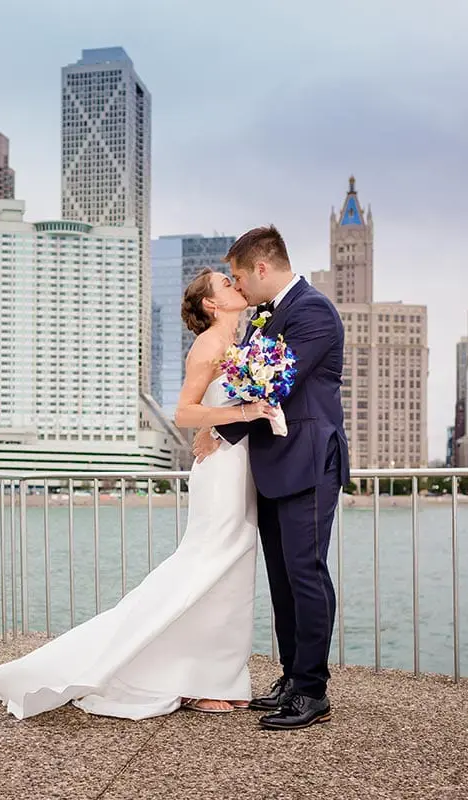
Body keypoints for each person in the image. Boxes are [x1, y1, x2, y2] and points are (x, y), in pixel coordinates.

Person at [0, 269, 277, 719]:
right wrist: (233, 414)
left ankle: (220, 676)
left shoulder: (247, 344)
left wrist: (221, 423)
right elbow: (184, 410)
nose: (235, 285)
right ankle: (186, 678)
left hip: (242, 465)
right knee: (207, 563)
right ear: (211, 305)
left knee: (234, 569)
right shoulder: (208, 345)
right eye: (225, 283)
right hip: (219, 472)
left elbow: (219, 412)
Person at [196, 225, 349, 730]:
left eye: (239, 277)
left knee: (306, 572)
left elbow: (275, 381)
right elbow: (255, 385)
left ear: (262, 268)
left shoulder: (312, 311)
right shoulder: (267, 315)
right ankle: (290, 678)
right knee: (282, 578)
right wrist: (220, 430)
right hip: (273, 463)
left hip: (308, 460)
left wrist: (221, 416)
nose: (238, 287)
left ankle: (312, 689)